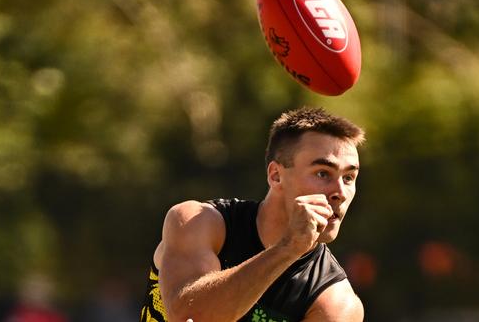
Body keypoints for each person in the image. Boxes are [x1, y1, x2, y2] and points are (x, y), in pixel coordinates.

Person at [140, 107, 366, 322]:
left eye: (348, 178)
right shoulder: (198, 221)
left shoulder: (337, 304)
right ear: (276, 175)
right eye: (322, 173)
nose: (340, 193)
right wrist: (287, 248)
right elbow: (189, 315)